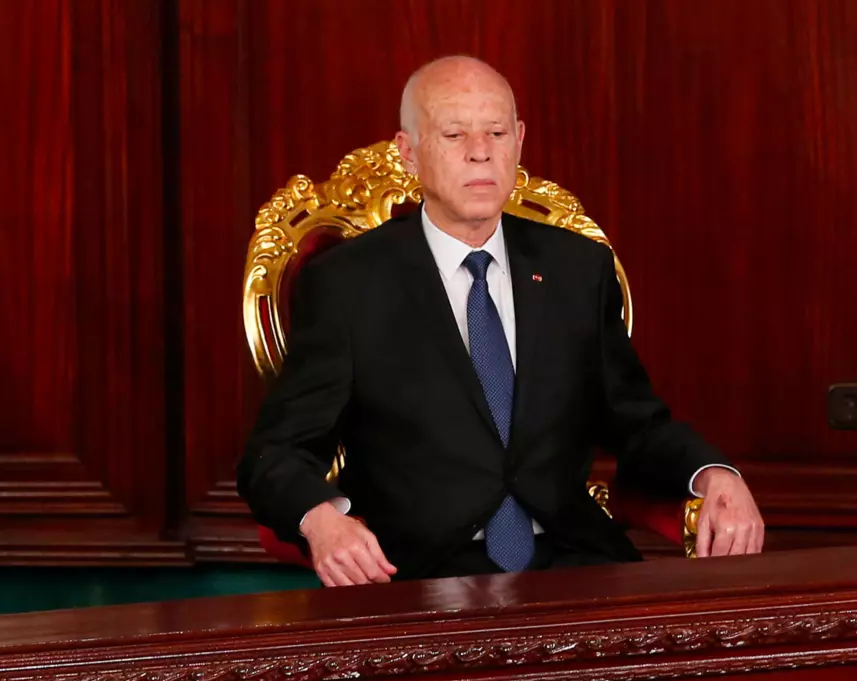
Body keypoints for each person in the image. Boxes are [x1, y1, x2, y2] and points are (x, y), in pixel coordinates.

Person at [238, 56, 763, 587]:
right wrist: (321, 518)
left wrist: (713, 474)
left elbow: (637, 423)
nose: (480, 151)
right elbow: (276, 453)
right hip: (419, 574)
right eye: (454, 134)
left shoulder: (576, 269)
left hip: (571, 560)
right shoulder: (348, 284)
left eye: (496, 131)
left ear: (519, 140)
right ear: (408, 152)